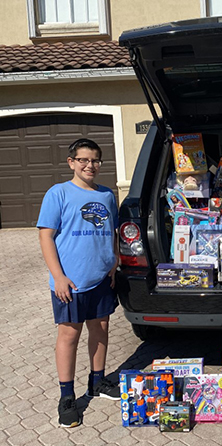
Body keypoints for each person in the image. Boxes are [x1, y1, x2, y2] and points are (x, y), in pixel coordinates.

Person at [37, 138, 120, 428]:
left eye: (95, 160)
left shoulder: (108, 195)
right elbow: (46, 236)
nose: (90, 165)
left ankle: (98, 381)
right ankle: (67, 397)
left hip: (101, 279)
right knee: (69, 336)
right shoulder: (58, 193)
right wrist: (58, 276)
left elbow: (112, 232)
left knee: (101, 328)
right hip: (70, 282)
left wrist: (114, 262)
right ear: (71, 162)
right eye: (83, 160)